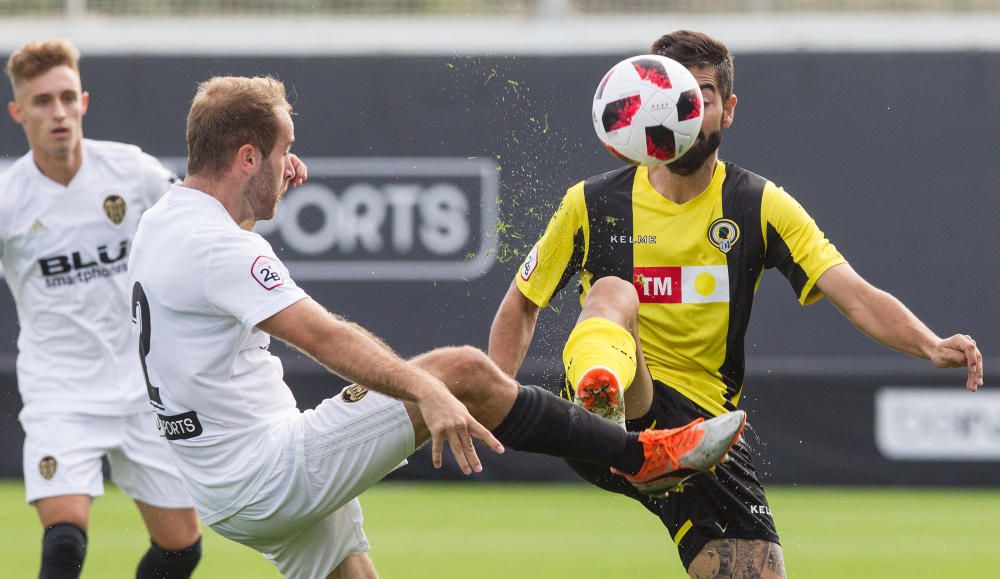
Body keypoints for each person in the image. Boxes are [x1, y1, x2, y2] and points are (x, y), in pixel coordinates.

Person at [125, 74, 748, 579]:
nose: (295, 165)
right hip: (269, 469)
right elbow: (325, 338)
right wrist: (426, 391)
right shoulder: (223, 250)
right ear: (246, 156)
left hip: (220, 481)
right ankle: (641, 454)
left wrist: (258, 192)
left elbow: (213, 263)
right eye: (285, 151)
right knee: (460, 371)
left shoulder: (165, 222)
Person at [488, 29, 983, 579]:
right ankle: (600, 397)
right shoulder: (593, 202)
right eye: (675, 99)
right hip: (612, 412)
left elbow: (856, 295)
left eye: (702, 97)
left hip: (704, 432)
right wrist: (497, 399)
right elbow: (521, 304)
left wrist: (932, 345)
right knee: (613, 293)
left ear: (728, 111)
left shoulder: (758, 204)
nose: (688, 113)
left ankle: (645, 440)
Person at [0, 39, 226, 578]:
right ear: (18, 112)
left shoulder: (131, 172)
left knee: (182, 547)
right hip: (61, 393)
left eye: (66, 97)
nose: (57, 112)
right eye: (42, 102)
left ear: (84, 101)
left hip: (144, 393)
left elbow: (203, 222)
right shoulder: (9, 199)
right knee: (64, 543)